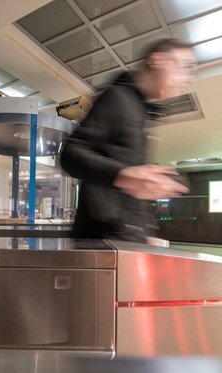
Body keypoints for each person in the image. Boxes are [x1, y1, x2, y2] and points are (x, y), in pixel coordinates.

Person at [60, 38, 196, 243]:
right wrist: (124, 176)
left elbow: (129, 186)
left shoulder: (141, 110)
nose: (186, 77)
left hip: (124, 238)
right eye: (183, 67)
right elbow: (71, 154)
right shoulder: (117, 97)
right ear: (156, 60)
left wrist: (145, 232)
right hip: (102, 240)